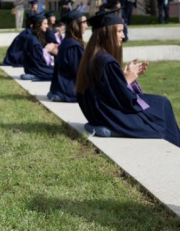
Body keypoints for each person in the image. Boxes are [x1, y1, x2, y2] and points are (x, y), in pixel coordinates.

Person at [75, 10, 180, 146]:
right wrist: (127, 80)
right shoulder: (106, 61)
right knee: (162, 105)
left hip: (98, 113)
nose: (123, 36)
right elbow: (125, 101)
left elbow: (107, 91)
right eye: (119, 31)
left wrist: (122, 78)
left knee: (159, 103)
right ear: (107, 33)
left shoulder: (94, 56)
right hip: (109, 116)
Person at [48, 10, 87, 102]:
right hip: (68, 88)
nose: (86, 26)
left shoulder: (67, 42)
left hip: (60, 86)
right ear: (76, 25)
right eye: (84, 23)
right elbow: (79, 72)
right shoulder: (73, 46)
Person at [21, 13, 57, 80]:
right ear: (38, 25)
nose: (47, 26)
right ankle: (33, 76)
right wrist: (46, 50)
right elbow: (39, 64)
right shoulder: (33, 41)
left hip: (34, 68)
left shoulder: (37, 37)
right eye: (45, 24)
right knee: (59, 74)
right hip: (34, 69)